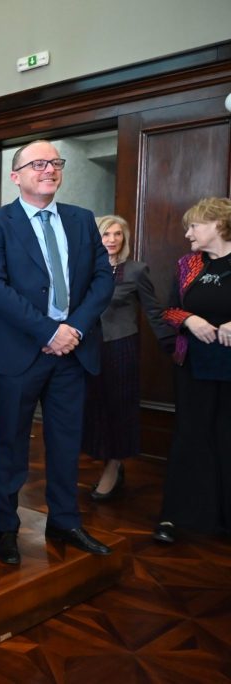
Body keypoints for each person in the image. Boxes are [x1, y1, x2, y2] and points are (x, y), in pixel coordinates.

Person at [0, 140, 115, 565]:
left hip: (73, 352)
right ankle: (6, 528)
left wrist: (73, 329)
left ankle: (65, 521)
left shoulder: (81, 219)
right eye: (37, 164)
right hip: (19, 353)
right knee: (11, 444)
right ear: (15, 176)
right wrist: (48, 330)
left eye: (55, 163)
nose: (49, 169)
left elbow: (103, 279)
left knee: (66, 442)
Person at [152, 197, 231, 544]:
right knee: (190, 436)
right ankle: (178, 516)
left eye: (194, 226)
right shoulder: (188, 264)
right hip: (193, 367)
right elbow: (169, 310)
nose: (188, 234)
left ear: (218, 224)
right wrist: (190, 319)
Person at [82, 215, 173, 500]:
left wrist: (174, 346)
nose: (112, 239)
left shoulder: (136, 270)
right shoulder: (85, 269)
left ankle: (113, 465)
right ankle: (107, 461)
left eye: (117, 234)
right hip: (89, 349)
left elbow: (154, 311)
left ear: (125, 238)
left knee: (118, 408)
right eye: (106, 234)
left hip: (121, 348)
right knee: (95, 407)